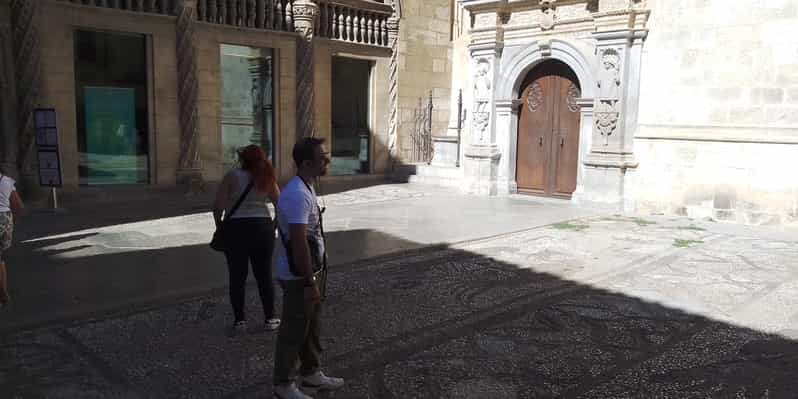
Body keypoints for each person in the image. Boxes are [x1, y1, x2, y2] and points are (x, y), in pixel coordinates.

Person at [272, 138, 344, 399]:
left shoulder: (307, 187)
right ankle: (283, 384)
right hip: (299, 275)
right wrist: (308, 282)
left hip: (312, 271)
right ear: (306, 163)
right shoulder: (296, 194)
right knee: (293, 331)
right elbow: (299, 242)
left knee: (311, 326)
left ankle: (311, 374)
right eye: (322, 157)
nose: (327, 161)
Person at [213, 145, 281, 334]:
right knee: (264, 275)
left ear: (242, 159)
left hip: (236, 228)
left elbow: (218, 206)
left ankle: (240, 321)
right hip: (262, 227)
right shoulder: (266, 176)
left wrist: (220, 225)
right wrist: (273, 225)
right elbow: (280, 204)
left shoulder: (232, 176)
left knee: (237, 276)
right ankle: (270, 318)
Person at [0, 171, 24, 307]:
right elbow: (19, 206)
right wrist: (13, 221)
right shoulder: (7, 181)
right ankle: (3, 293)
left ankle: (3, 294)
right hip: (6, 219)